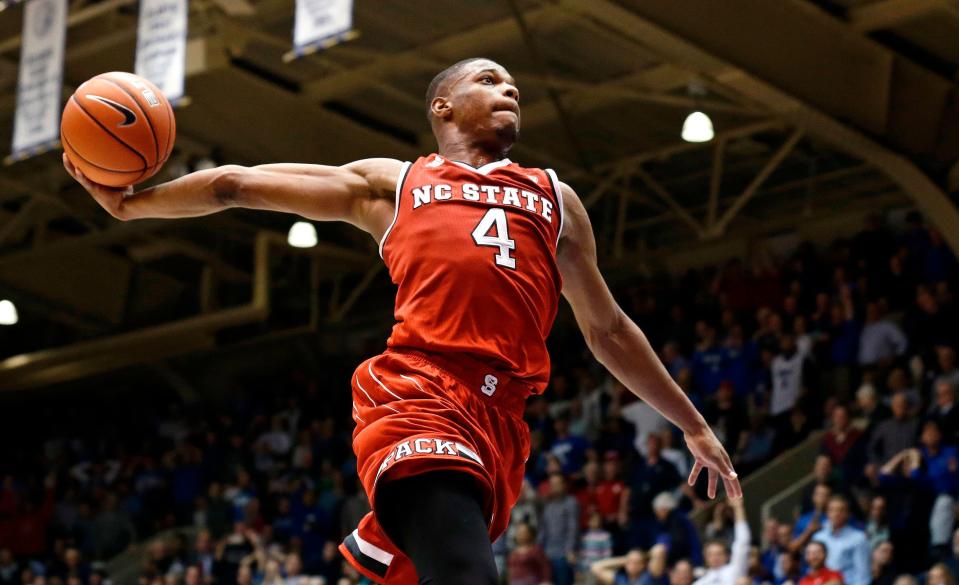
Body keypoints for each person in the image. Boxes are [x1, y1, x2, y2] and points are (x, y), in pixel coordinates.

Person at [65, 57, 741, 585]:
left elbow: (608, 330)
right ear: (442, 107)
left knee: (458, 567)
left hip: (499, 421)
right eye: (488, 80)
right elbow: (235, 184)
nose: (508, 90)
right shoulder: (397, 183)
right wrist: (134, 206)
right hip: (417, 396)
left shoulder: (554, 198)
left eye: (512, 84)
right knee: (465, 572)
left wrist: (693, 423)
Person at [812, 497, 870, 585]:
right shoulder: (818, 537)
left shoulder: (858, 538)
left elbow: (863, 574)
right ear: (827, 513)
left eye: (841, 510)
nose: (836, 513)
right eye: (832, 510)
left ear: (848, 514)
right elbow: (812, 569)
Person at [693, 498, 751, 585]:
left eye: (719, 554)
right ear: (705, 558)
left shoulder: (734, 570)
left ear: (727, 556)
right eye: (711, 554)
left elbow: (742, 543)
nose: (715, 558)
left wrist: (738, 508)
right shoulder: (700, 582)